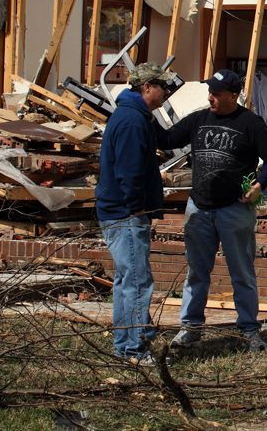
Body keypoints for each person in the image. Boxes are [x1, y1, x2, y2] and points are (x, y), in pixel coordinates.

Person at [156, 69, 267, 352]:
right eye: (209, 91)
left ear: (233, 96)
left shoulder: (250, 123)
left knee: (242, 273)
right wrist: (143, 108)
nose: (210, 96)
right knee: (197, 272)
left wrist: (260, 185)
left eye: (216, 93)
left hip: (234, 210)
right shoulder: (199, 119)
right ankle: (190, 328)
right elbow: (166, 140)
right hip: (199, 208)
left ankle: (249, 330)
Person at [96, 62, 174, 365]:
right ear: (147, 88)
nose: (166, 92)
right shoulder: (131, 121)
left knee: (126, 279)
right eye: (162, 87)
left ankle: (125, 343)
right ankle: (133, 349)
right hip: (126, 214)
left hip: (119, 212)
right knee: (138, 281)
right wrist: (136, 208)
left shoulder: (134, 115)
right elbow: (129, 171)